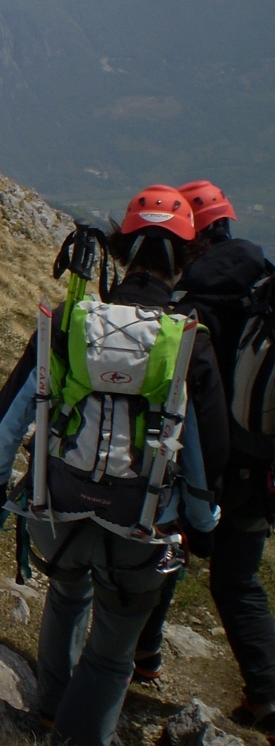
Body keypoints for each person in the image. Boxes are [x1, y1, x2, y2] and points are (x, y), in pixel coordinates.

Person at [0, 185, 230, 746]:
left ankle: (50, 710)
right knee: (114, 654)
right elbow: (207, 453)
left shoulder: (71, 321)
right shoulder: (188, 341)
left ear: (121, 251)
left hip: (57, 510)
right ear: (185, 257)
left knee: (66, 595)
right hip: (139, 524)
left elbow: (16, 407)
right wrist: (204, 527)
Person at [133, 181, 275, 736]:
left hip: (213, 458)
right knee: (237, 578)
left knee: (171, 546)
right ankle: (263, 695)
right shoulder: (260, 283)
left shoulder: (194, 304)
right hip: (259, 462)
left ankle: (142, 656)